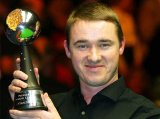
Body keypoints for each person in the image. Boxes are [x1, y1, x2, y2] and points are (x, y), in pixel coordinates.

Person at [8, 2, 160, 119]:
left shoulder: (145, 114)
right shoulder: (49, 106)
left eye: (104, 44)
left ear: (121, 46)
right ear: (67, 49)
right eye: (82, 45)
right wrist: (28, 109)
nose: (94, 57)